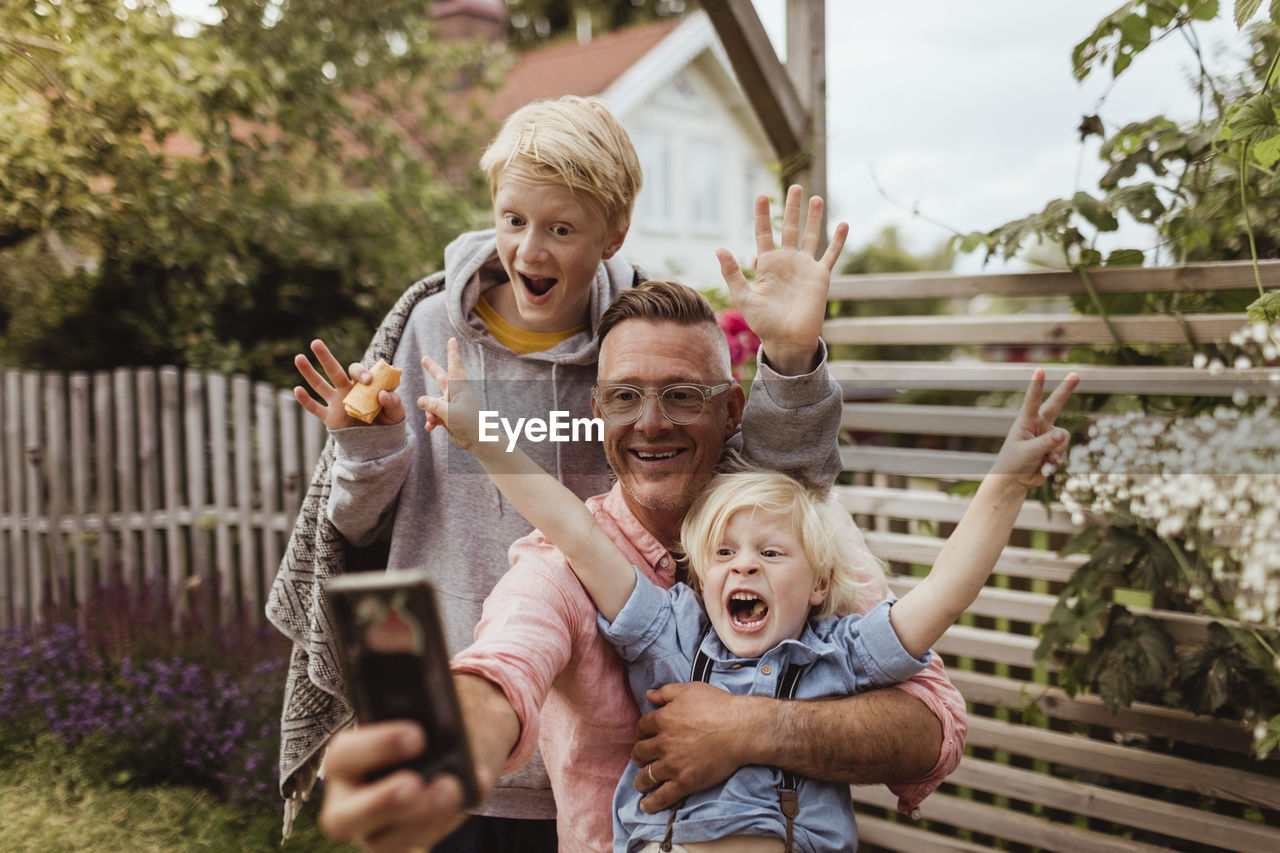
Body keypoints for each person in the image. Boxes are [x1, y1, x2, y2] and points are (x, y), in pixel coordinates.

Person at [318, 231, 968, 852]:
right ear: (598, 411)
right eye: (626, 395)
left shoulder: (794, 531)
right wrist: (440, 749)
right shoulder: (565, 564)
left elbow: (930, 726)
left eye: (682, 395)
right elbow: (503, 669)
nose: (651, 423)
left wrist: (750, 726)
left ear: (731, 410)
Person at [417, 335, 1077, 852]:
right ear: (701, 577)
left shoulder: (841, 653)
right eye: (724, 554)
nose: (744, 569)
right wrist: (483, 438)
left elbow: (946, 592)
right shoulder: (672, 632)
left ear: (820, 580)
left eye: (770, 552)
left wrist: (1008, 479)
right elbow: (573, 531)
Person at [266, 94, 643, 848]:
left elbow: (698, 506)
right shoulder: (430, 325)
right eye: (513, 219)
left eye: (560, 228)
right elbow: (353, 528)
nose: (529, 251)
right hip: (436, 730)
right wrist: (366, 448)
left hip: (586, 760)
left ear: (612, 234)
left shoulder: (638, 344)